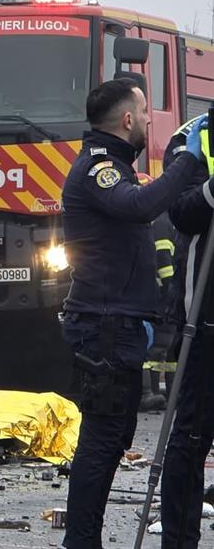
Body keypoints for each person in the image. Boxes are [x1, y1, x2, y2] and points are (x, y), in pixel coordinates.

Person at [58, 78, 207, 549]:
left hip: (116, 322)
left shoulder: (113, 166)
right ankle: (82, 542)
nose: (148, 121)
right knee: (102, 440)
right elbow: (141, 205)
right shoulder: (99, 170)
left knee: (114, 433)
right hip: (104, 324)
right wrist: (189, 160)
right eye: (144, 113)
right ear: (126, 120)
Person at [160, 112, 211, 549]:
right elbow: (182, 211)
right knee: (190, 441)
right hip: (206, 319)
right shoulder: (192, 138)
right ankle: (179, 541)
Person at [135, 173, 172, 412]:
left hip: (142, 292)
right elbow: (164, 258)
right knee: (158, 344)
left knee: (157, 344)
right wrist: (172, 288)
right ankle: (148, 393)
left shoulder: (137, 220)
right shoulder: (159, 220)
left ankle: (156, 392)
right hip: (158, 294)